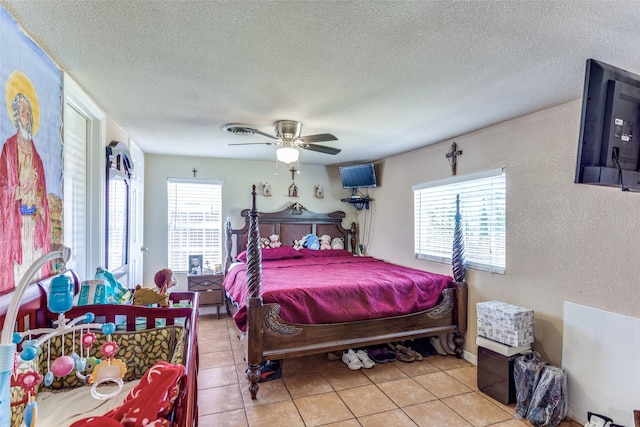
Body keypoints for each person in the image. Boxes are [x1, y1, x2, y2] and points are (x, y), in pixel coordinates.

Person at [0, 86, 51, 292]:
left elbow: (42, 195)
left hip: (33, 223)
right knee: (18, 276)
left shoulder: (36, 156)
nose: (26, 116)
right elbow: (2, 188)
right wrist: (20, 190)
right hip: (17, 225)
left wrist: (39, 202)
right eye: (22, 112)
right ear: (16, 116)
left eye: (28, 112)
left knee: (34, 276)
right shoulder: (9, 149)